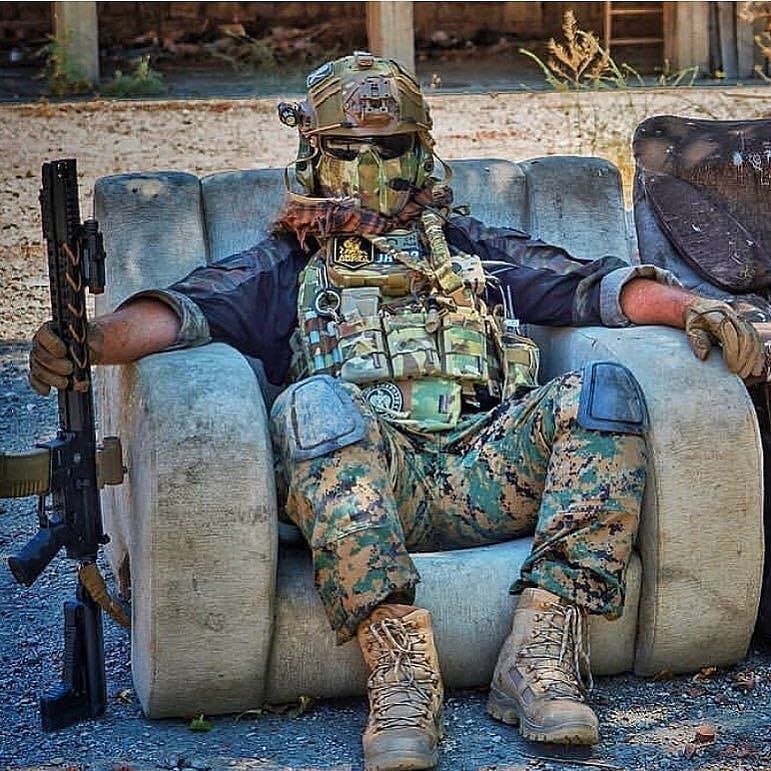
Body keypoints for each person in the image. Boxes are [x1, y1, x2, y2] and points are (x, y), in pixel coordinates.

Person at [29, 53, 764, 771]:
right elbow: (178, 311)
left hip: (490, 468)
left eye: (390, 149)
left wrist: (692, 307)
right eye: (349, 152)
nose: (371, 170)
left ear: (420, 153)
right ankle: (402, 679)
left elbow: (592, 285)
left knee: (604, 393)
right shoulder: (284, 263)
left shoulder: (471, 246)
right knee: (314, 406)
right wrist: (88, 340)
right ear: (314, 158)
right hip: (374, 488)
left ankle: (541, 653)